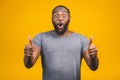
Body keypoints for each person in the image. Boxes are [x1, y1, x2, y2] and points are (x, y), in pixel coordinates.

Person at [24, 5, 99, 80]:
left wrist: (94, 57)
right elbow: (28, 64)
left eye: (64, 15)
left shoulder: (81, 39)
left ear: (69, 18)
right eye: (56, 15)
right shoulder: (41, 38)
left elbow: (93, 67)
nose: (60, 18)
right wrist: (28, 55)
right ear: (52, 19)